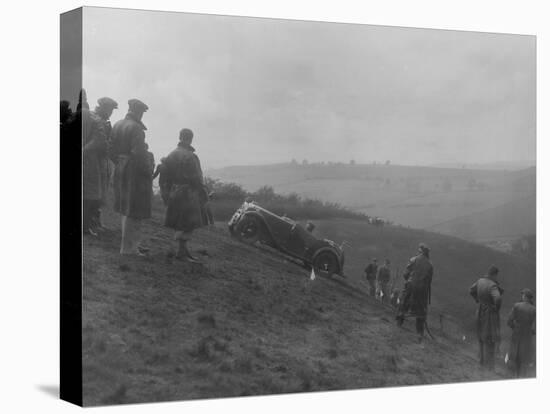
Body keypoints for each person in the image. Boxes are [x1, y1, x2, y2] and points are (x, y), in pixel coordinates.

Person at [110, 99, 152, 255]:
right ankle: (129, 248)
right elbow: (139, 154)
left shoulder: (117, 124)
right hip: (134, 171)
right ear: (139, 112)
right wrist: (148, 171)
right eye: (141, 113)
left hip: (120, 167)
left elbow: (110, 149)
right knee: (133, 209)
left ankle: (131, 245)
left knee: (125, 208)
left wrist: (120, 162)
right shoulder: (136, 129)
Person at [162, 128, 207, 262]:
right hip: (188, 193)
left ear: (180, 137)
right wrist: (202, 192)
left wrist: (167, 192)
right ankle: (181, 252)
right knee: (187, 222)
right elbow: (197, 178)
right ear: (190, 139)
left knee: (180, 222)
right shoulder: (190, 156)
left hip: (175, 191)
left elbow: (165, 175)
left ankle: (183, 250)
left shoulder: (171, 154)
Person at [396, 243, 434, 340]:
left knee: (404, 302)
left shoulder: (414, 259)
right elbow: (429, 281)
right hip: (422, 290)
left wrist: (408, 280)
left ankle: (399, 322)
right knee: (421, 311)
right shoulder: (430, 265)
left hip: (411, 285)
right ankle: (419, 334)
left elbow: (406, 274)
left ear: (420, 252)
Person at [91, 97, 118, 231]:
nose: (111, 112)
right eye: (109, 109)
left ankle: (95, 220)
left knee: (101, 190)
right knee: (94, 190)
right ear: (102, 107)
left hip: (103, 160)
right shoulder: (94, 119)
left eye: (112, 110)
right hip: (93, 159)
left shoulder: (105, 122)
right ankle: (91, 221)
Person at [469, 265, 503, 370]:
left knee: (481, 337)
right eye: (497, 276)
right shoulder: (493, 285)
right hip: (489, 315)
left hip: (479, 311)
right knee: (490, 339)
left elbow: (471, 290)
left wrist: (477, 300)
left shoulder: (480, 281)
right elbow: (497, 298)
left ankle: (481, 361)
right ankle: (490, 367)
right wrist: (495, 308)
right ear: (494, 274)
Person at [507, 288, 536, 378]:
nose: (522, 296)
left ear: (525, 297)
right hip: (527, 335)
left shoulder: (517, 306)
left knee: (514, 354)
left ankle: (513, 376)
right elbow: (535, 326)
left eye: (523, 295)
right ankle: (521, 377)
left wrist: (514, 327)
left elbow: (509, 321)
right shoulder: (534, 309)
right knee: (524, 356)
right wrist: (531, 332)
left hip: (516, 332)